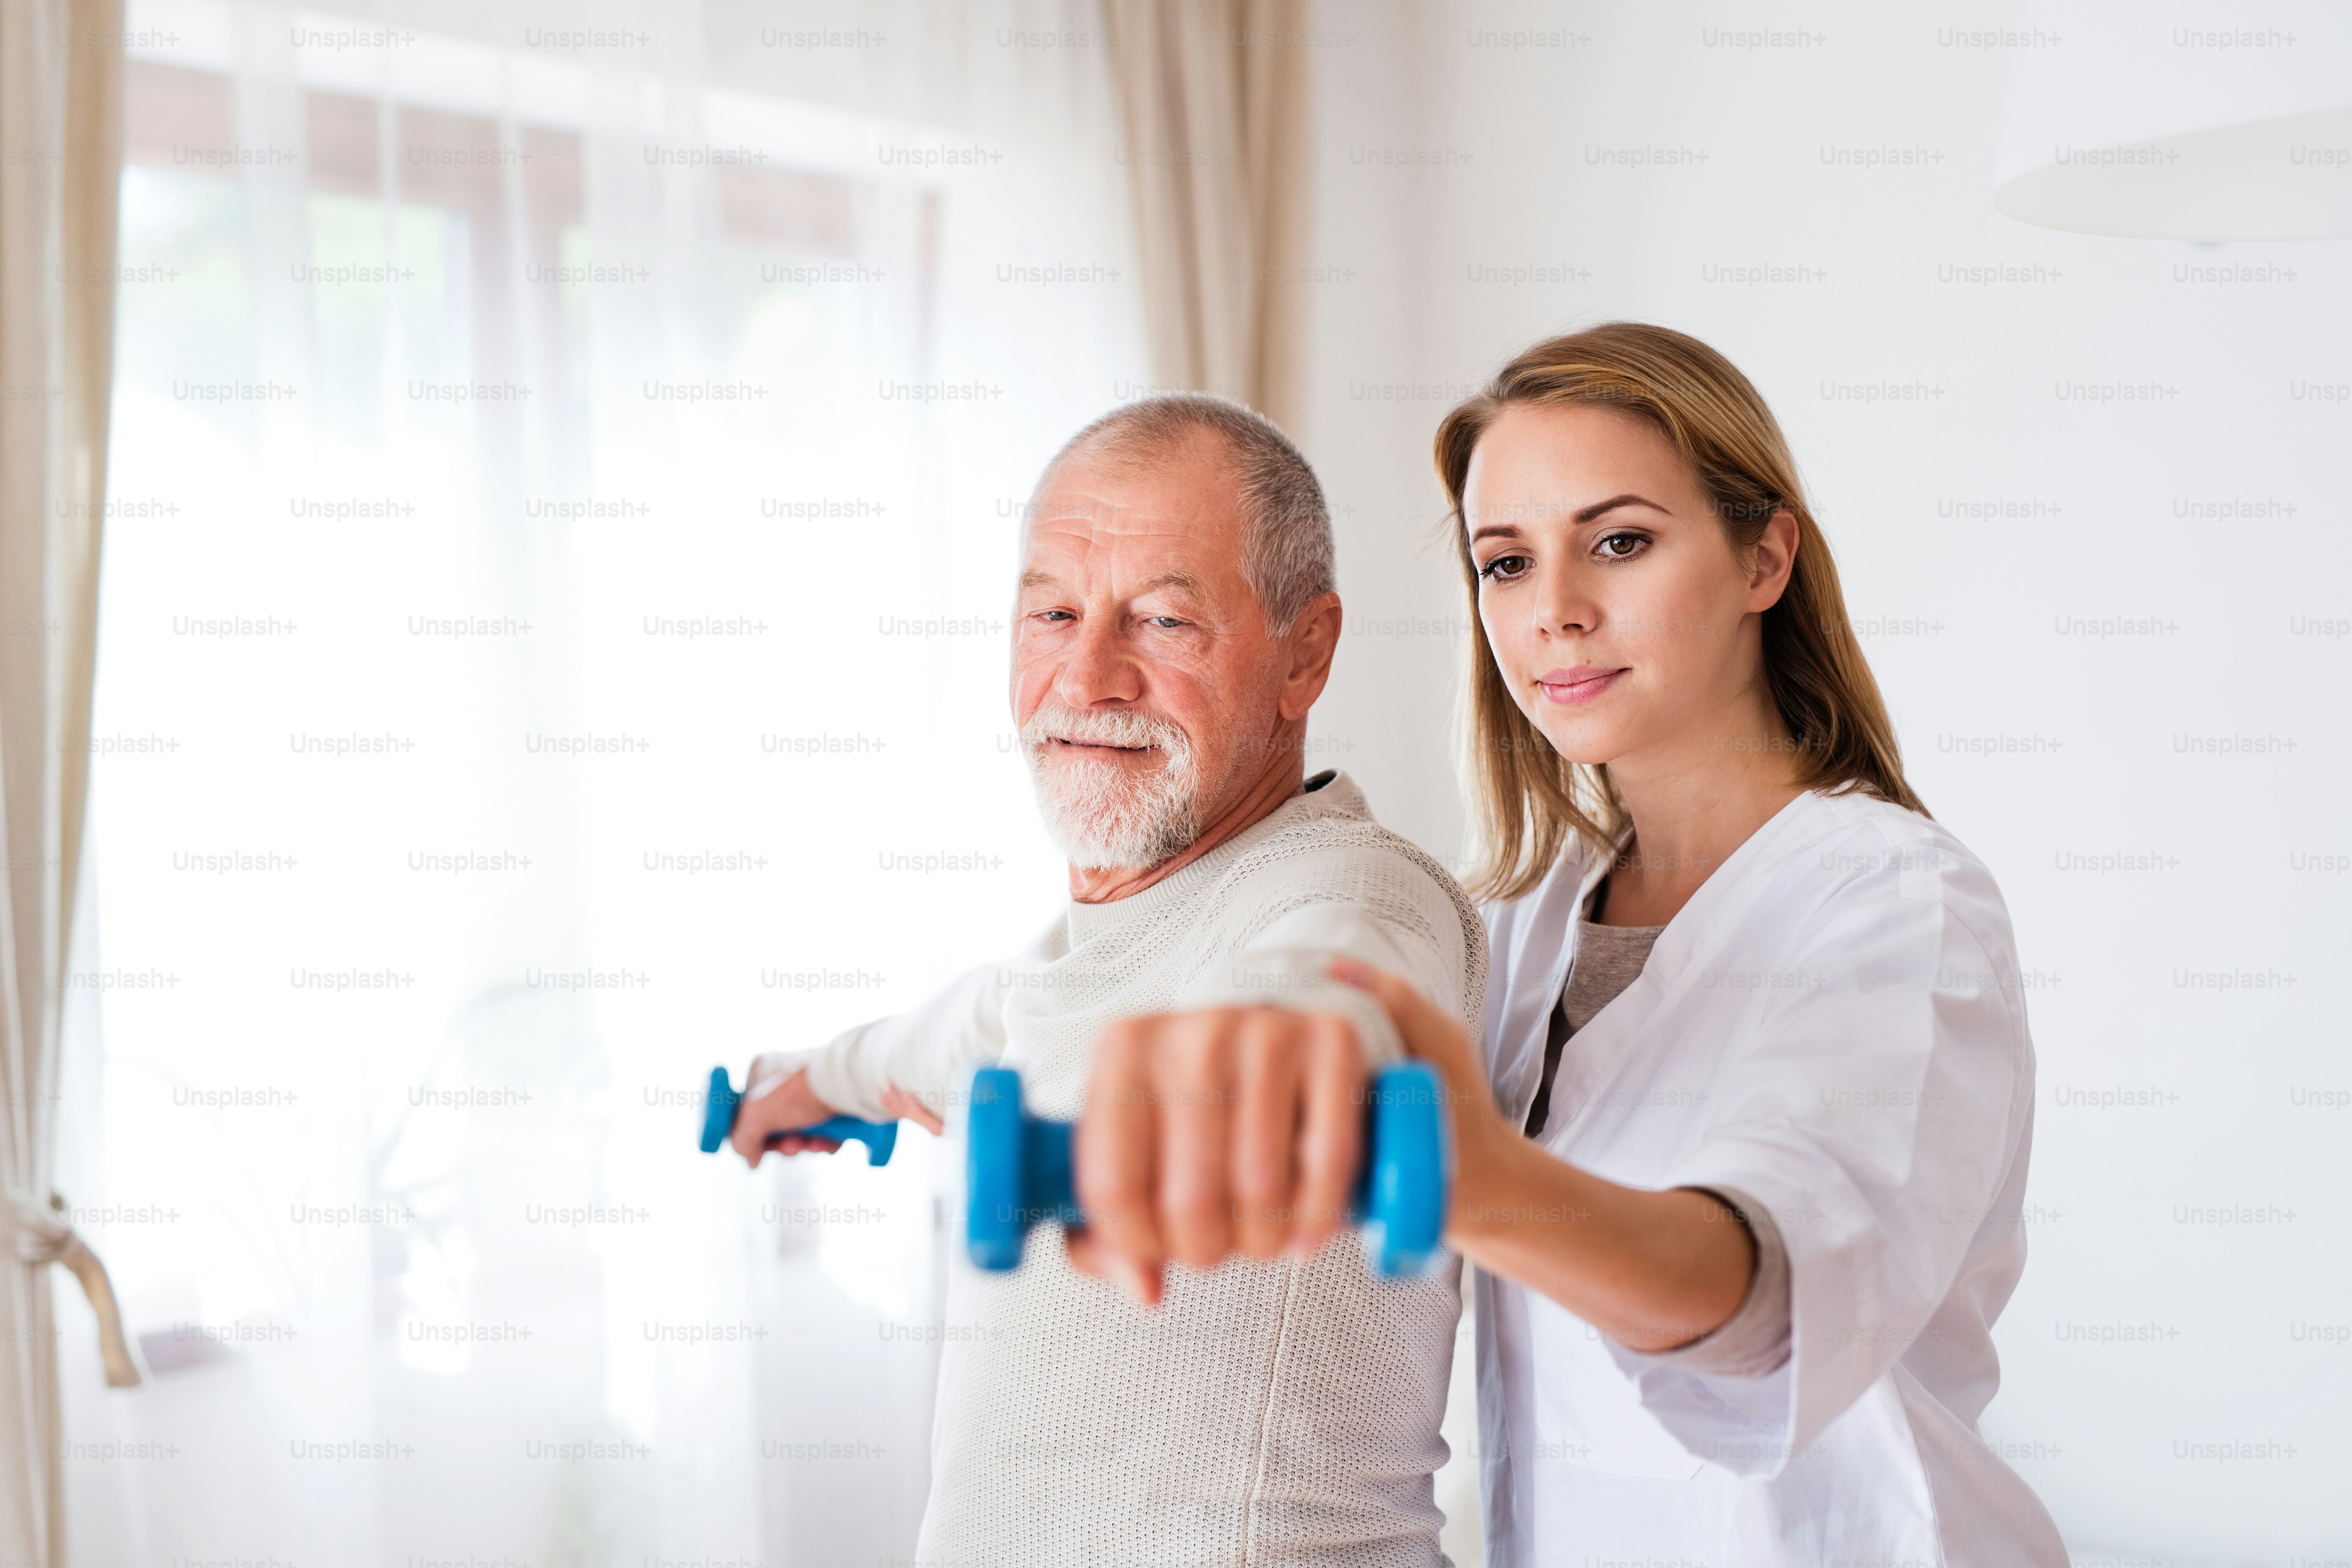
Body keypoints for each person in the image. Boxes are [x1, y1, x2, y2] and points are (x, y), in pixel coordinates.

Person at [1071, 324, 2069, 1565]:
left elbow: (1761, 1300)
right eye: (1505, 564)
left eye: (1621, 542)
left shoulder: (1895, 907)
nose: (1556, 613)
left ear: (1765, 557)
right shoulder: (1526, 920)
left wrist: (1474, 1174)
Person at [727, 394, 1484, 1566]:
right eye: (1055, 613)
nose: (1089, 675)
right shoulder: (1044, 978)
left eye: (1165, 622)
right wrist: (802, 1082)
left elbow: (1331, 997)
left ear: (1307, 653)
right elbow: (914, 1047)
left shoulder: (1357, 893)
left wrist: (1269, 1066)